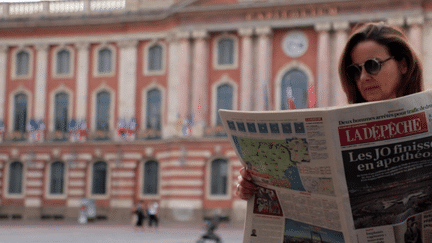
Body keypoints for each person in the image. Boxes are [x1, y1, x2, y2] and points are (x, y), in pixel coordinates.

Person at [235, 21, 423, 200]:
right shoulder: (336, 133)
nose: (364, 77)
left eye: (373, 65)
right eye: (355, 71)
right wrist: (252, 186)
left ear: (403, 64)